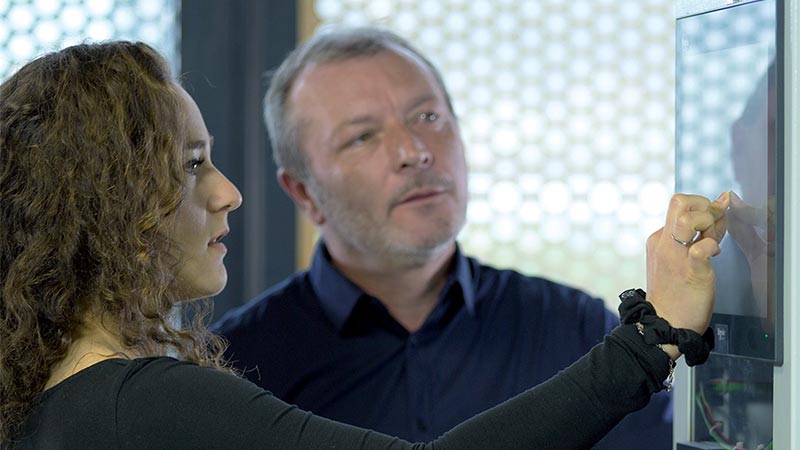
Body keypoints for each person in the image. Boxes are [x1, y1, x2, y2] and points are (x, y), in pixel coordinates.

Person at [0, 41, 729, 450]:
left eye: (428, 117)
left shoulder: (62, 395)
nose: (228, 193)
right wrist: (650, 338)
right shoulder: (155, 398)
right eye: (192, 166)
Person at [213, 27, 674, 448]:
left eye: (428, 116)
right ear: (303, 191)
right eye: (363, 137)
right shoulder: (230, 371)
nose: (414, 152)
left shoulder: (580, 334)